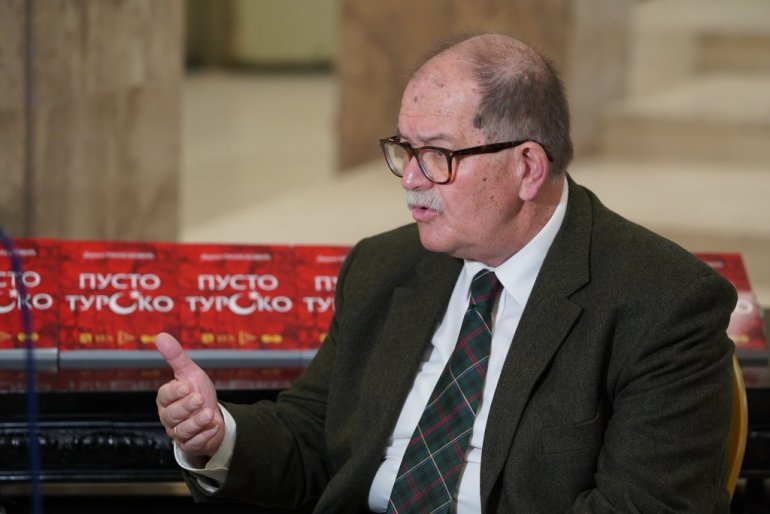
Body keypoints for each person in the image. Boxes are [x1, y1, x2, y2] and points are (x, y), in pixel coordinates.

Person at [155, 33, 738, 513]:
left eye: (438, 155)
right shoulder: (383, 267)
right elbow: (315, 436)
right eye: (404, 150)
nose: (410, 179)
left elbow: (646, 503)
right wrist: (219, 437)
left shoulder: (664, 302)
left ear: (527, 167)